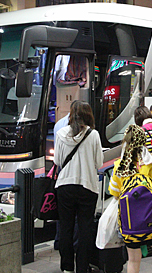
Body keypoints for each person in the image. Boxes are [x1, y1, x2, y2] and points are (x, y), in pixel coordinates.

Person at [109, 124, 152, 273]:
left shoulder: (119, 166)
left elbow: (114, 193)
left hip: (130, 223)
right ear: (143, 141)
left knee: (133, 261)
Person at [54, 101, 104, 273]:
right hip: (87, 187)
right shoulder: (94, 135)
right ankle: (82, 268)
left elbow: (58, 161)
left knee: (66, 227)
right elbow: (98, 163)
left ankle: (67, 267)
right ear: (88, 115)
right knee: (85, 229)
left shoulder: (60, 134)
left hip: (65, 186)